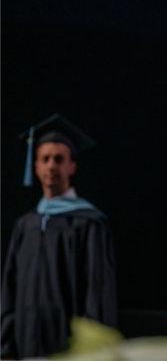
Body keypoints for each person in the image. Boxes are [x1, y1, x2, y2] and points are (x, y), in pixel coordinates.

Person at [1, 114, 117, 359]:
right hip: (24, 345)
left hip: (70, 350)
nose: (51, 165)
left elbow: (97, 293)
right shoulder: (25, 225)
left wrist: (92, 351)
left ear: (71, 166)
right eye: (45, 159)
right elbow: (9, 291)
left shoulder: (89, 222)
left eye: (58, 159)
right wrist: (6, 345)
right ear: (36, 166)